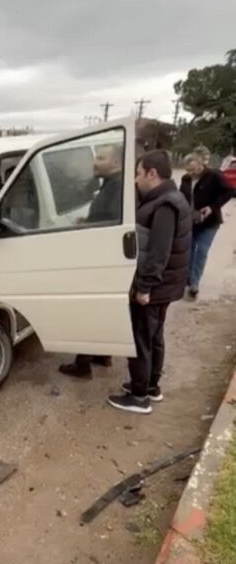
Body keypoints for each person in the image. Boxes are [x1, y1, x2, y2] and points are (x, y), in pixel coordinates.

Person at [108, 150, 191, 415]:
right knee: (154, 337)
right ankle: (151, 387)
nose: (136, 179)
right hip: (164, 285)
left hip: (155, 286)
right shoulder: (170, 198)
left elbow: (158, 252)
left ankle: (139, 396)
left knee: (141, 339)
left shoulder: (164, 205)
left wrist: (144, 287)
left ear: (152, 174)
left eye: (138, 173)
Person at [59, 143, 123, 379]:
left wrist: (87, 226)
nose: (95, 162)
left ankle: (83, 364)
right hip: (104, 257)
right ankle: (103, 354)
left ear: (115, 162)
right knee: (102, 310)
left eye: (101, 158)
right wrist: (87, 221)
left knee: (90, 311)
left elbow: (112, 222)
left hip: (103, 258)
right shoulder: (111, 184)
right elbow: (105, 216)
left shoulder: (117, 187)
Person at [180, 152, 232, 298]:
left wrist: (212, 207)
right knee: (189, 250)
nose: (191, 173)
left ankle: (194, 282)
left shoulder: (214, 176)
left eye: (193, 170)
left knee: (201, 251)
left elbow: (230, 191)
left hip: (210, 222)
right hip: (191, 221)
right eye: (188, 170)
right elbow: (182, 196)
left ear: (201, 164)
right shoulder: (186, 179)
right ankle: (187, 278)